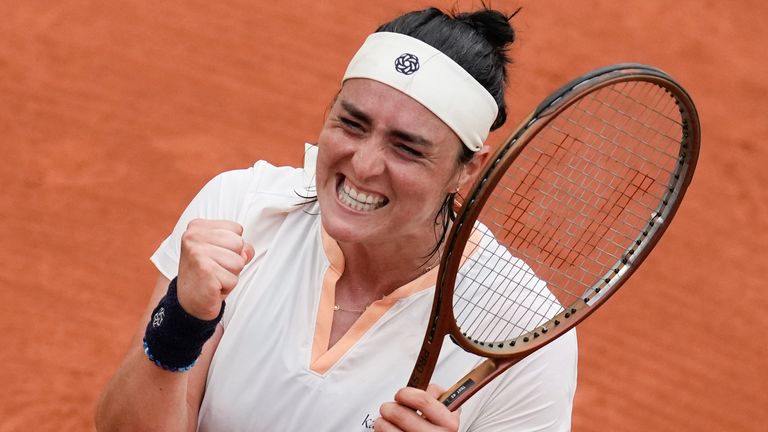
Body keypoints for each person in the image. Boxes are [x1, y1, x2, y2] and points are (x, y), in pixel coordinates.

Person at [96, 5, 577, 431]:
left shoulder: (526, 339)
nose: (364, 166)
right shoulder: (241, 212)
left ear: (466, 169)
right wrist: (179, 325)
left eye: (407, 148)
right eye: (352, 124)